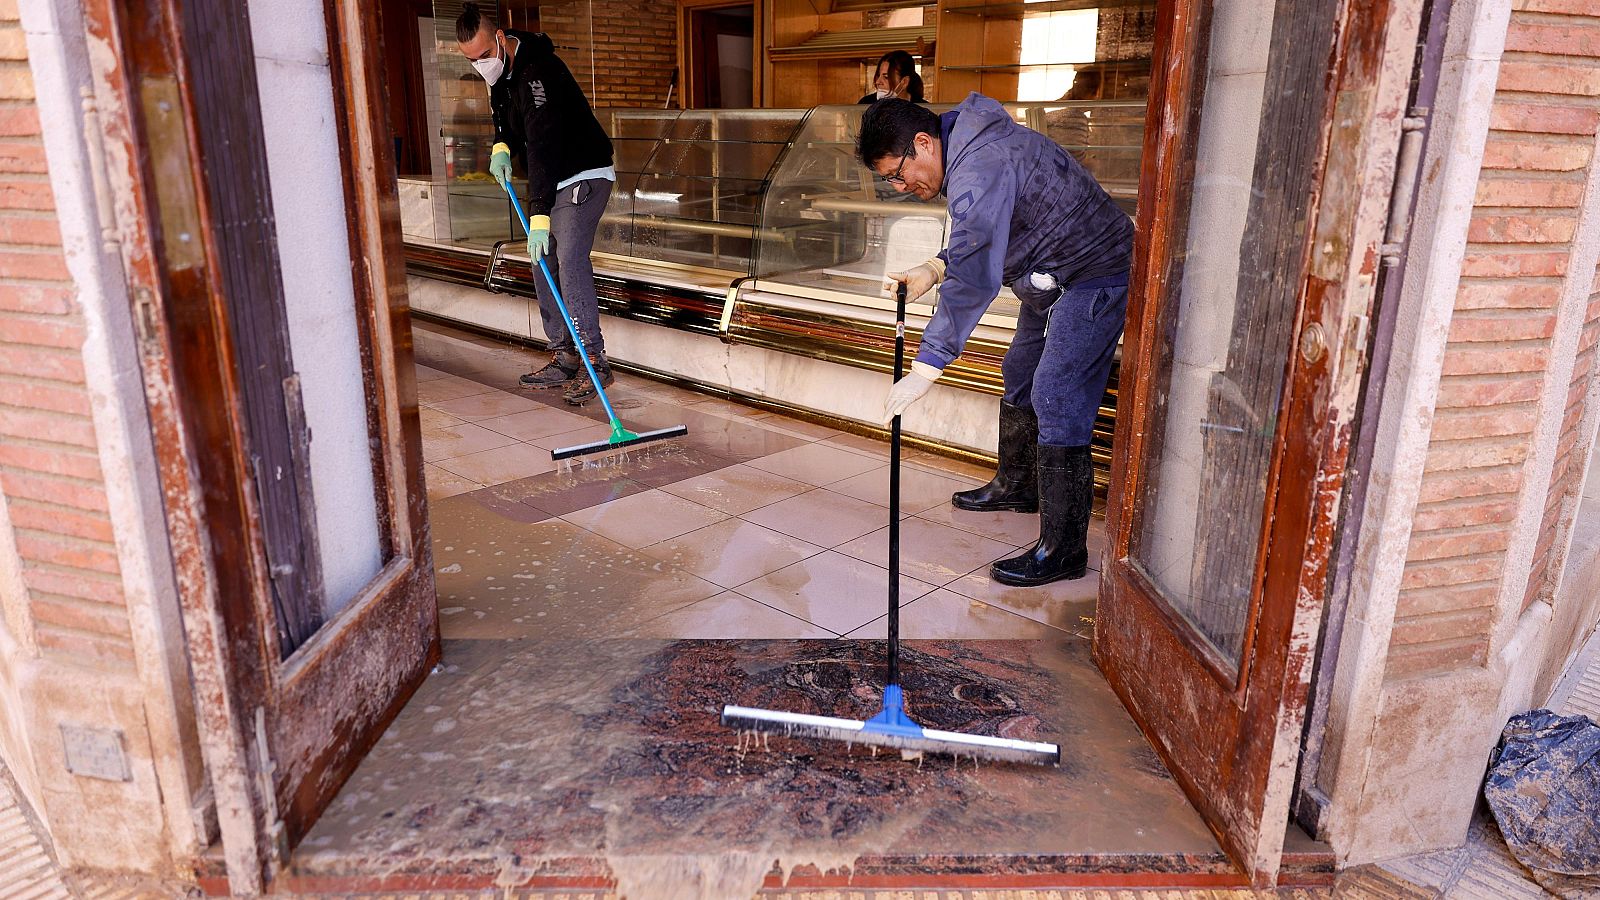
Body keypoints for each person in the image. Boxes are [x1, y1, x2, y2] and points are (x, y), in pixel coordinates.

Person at [859, 96, 1133, 587]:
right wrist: (934, 266)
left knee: (1056, 390)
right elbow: (981, 229)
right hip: (1047, 272)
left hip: (1096, 273)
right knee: (1020, 371)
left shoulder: (979, 161)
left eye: (897, 174)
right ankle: (1019, 483)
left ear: (923, 143)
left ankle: (1063, 548)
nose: (901, 187)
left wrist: (926, 368)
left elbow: (976, 275)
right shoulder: (969, 145)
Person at [456, 2, 617, 405]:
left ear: (499, 38)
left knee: (569, 259)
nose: (481, 66)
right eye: (472, 61)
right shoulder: (502, 73)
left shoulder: (536, 73)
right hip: (555, 178)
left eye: (483, 56)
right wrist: (501, 146)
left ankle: (594, 360)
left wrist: (539, 212)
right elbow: (500, 117)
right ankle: (564, 355)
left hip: (583, 173)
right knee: (542, 259)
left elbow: (543, 146)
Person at [858, 51, 925, 104]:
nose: (878, 82)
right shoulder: (866, 104)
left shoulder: (923, 110)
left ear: (904, 82)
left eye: (886, 77)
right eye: (878, 75)